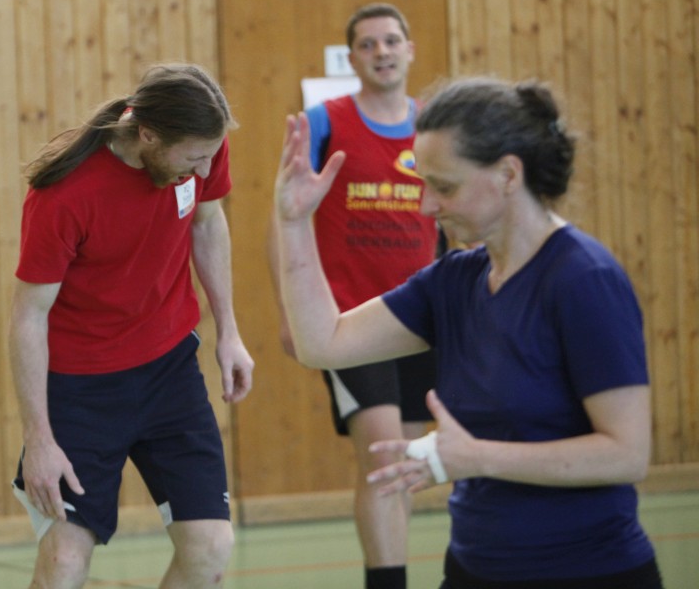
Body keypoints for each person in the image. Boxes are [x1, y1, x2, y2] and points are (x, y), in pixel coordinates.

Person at [273, 76, 662, 588]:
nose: (426, 207)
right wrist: (295, 223)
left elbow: (626, 454)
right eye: (424, 184)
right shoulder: (453, 281)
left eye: (445, 187)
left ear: (508, 174)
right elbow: (323, 343)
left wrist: (477, 457)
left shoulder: (583, 279)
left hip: (587, 571)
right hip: (473, 568)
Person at [9, 63, 255, 588]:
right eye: (193, 159)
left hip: (169, 373)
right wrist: (39, 439)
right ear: (147, 135)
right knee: (64, 563)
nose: (205, 169)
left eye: (210, 156)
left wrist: (229, 331)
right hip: (80, 390)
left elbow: (208, 222)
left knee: (210, 549)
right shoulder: (64, 194)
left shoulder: (201, 146)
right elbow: (28, 317)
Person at [267, 3, 439, 589]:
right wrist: (291, 312)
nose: (381, 52)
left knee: (406, 465)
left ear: (409, 49)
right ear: (352, 58)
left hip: (419, 317)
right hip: (350, 322)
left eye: (391, 40)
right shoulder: (325, 123)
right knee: (383, 458)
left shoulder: (434, 126)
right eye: (368, 44)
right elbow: (282, 219)